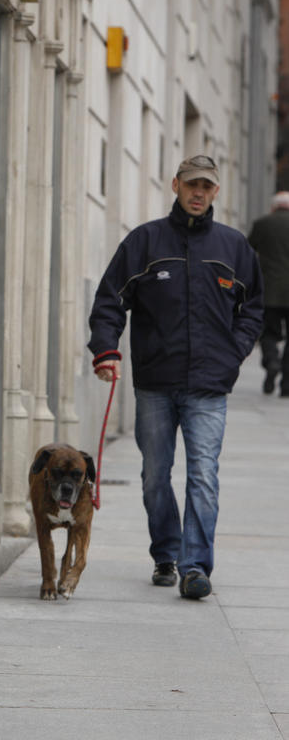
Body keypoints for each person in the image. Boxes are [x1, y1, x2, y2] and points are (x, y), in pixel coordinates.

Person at [88, 155, 263, 599]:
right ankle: (165, 551)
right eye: (191, 185)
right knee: (154, 474)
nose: (198, 193)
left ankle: (194, 567)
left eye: (206, 186)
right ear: (176, 186)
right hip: (155, 383)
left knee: (204, 474)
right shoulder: (145, 241)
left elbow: (254, 309)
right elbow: (110, 299)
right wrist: (106, 349)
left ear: (216, 191)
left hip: (210, 384)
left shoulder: (234, 248)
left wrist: (233, 353)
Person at [248, 191, 289, 396]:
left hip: (269, 290)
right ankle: (287, 385)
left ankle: (272, 361)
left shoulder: (262, 224)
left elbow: (248, 251)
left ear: (274, 207)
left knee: (269, 333)